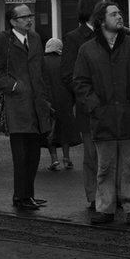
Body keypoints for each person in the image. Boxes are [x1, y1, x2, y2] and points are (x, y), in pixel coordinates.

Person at [72, 2, 130, 226]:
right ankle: (105, 207)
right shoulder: (87, 50)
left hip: (129, 116)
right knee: (105, 167)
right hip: (103, 117)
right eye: (114, 14)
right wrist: (95, 106)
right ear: (101, 20)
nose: (119, 17)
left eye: (120, 13)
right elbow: (80, 82)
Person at [0, 4, 52, 211]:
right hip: (16, 104)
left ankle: (28, 194)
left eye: (29, 16)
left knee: (34, 154)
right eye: (23, 17)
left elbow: (41, 69)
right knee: (21, 154)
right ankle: (20, 196)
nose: (29, 19)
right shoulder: (2, 40)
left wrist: (45, 97)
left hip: (37, 103)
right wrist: (14, 86)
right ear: (12, 21)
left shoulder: (35, 38)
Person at [61, 0, 100, 209]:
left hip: (114, 107)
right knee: (92, 155)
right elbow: (68, 74)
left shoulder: (116, 35)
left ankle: (114, 194)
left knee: (114, 154)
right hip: (89, 107)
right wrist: (88, 98)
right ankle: (94, 196)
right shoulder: (75, 38)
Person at [43, 37, 80, 170]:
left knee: (50, 130)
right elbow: (72, 80)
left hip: (47, 100)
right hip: (65, 100)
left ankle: (54, 159)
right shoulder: (65, 61)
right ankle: (66, 158)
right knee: (65, 130)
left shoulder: (42, 61)